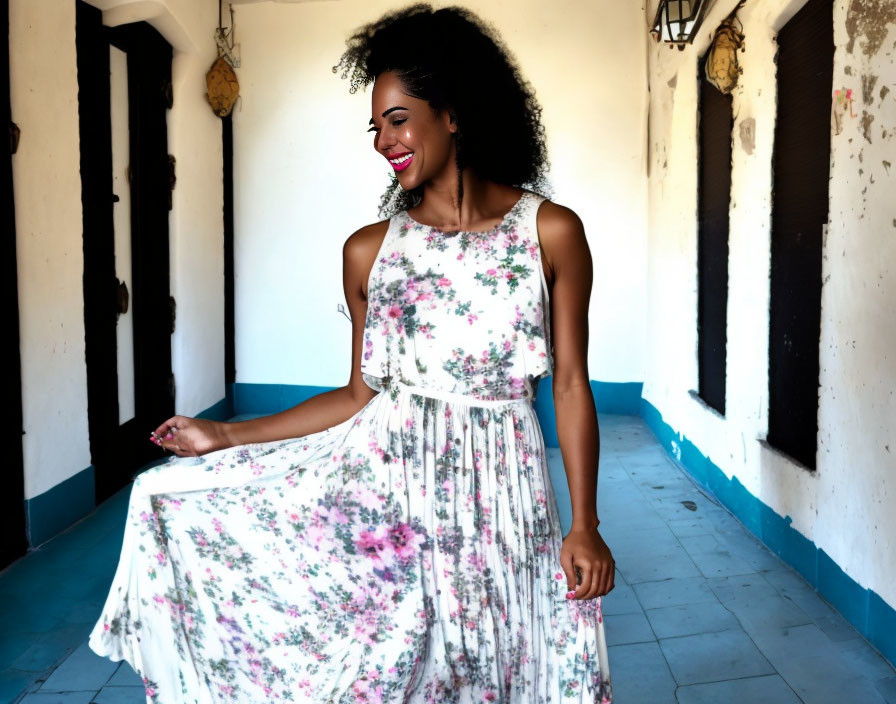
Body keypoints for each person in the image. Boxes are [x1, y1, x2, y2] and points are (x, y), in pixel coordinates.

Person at [89, 4, 615, 702]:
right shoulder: (371, 252)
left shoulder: (548, 233)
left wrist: (585, 523)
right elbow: (357, 395)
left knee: (510, 668)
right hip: (391, 504)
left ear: (452, 112)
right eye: (377, 127)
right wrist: (222, 434)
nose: (383, 141)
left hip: (506, 504)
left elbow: (571, 386)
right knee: (399, 677)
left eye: (398, 119)